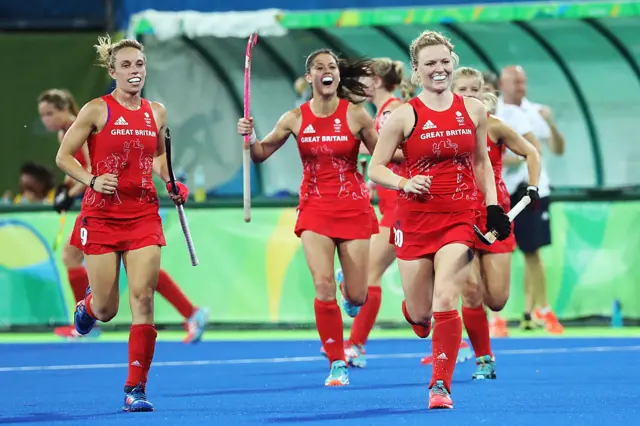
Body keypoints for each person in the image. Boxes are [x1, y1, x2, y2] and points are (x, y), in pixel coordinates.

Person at [368, 31, 511, 409]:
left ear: (453, 61)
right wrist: (404, 181)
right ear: (416, 71)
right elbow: (375, 167)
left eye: (444, 61)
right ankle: (417, 318)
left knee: (447, 293)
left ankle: (440, 386)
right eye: (430, 63)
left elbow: (482, 163)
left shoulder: (475, 110)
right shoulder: (403, 115)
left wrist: (493, 207)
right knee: (420, 312)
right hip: (414, 220)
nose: (439, 68)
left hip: (459, 218)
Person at [55, 34, 191, 412]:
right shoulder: (96, 110)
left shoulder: (156, 112)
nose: (135, 71)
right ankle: (88, 308)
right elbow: (64, 157)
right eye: (127, 66)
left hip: (144, 214)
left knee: (144, 299)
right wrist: (92, 180)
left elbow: (160, 160)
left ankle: (136, 389)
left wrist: (171, 183)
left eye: (140, 65)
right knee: (106, 310)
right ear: (113, 71)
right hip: (101, 214)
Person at [237, 48, 379, 387]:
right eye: (319, 67)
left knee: (358, 297)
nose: (326, 71)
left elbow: (384, 155)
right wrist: (249, 135)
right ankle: (337, 362)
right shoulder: (294, 118)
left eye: (331, 66)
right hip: (314, 208)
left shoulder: (357, 115)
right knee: (322, 285)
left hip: (354, 207)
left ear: (337, 76)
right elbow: (258, 155)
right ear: (310, 77)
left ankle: (349, 285)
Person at [39, 88, 209, 343]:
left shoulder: (85, 122)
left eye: (49, 113)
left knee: (95, 261)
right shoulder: (70, 130)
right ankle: (189, 313)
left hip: (124, 202)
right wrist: (66, 190)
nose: (45, 120)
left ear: (65, 110)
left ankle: (87, 320)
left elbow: (91, 167)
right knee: (129, 269)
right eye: (42, 115)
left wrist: (71, 192)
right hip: (107, 203)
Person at [437, 67, 540, 379]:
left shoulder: (495, 126)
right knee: (469, 291)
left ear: (483, 94)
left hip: (496, 218)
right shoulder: (441, 130)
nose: (468, 95)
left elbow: (531, 152)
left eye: (473, 89)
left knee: (495, 299)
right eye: (462, 89)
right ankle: (484, 358)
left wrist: (533, 187)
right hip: (458, 218)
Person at [326, 58, 424, 368]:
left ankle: (356, 344)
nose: (360, 84)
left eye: (365, 78)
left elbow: (405, 153)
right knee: (375, 276)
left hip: (400, 209)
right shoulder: (380, 113)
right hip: (387, 206)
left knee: (369, 276)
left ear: (377, 82)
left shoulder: (393, 112)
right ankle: (357, 342)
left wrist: (369, 157)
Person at [498, 65, 565, 333]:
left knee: (532, 251)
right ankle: (498, 317)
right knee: (499, 253)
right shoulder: (494, 112)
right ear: (503, 84)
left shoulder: (535, 112)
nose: (521, 87)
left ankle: (539, 310)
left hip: (533, 190)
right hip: (503, 191)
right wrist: (517, 157)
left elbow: (556, 150)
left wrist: (550, 122)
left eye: (523, 82)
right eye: (515, 82)